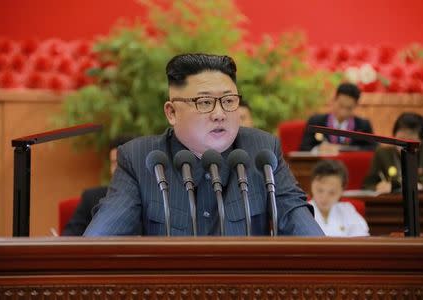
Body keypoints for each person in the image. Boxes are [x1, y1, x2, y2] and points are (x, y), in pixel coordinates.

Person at [84, 53, 324, 236]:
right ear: (171, 112)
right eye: (205, 102)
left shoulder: (262, 151)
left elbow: (302, 227)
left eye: (229, 101)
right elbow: (99, 242)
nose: (220, 113)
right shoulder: (140, 160)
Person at [62, 136, 134, 236]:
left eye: (121, 164)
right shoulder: (91, 197)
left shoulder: (152, 198)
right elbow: (69, 236)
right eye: (114, 163)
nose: (117, 170)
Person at [363, 112, 423, 193]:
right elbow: (367, 185)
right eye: (401, 139)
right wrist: (379, 186)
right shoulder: (382, 153)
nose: (404, 145)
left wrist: (421, 187)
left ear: (422, 141)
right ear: (394, 135)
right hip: (391, 202)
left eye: (411, 140)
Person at [299, 83, 376, 154]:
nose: (343, 112)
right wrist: (318, 149)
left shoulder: (363, 126)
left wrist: (344, 149)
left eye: (349, 108)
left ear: (355, 106)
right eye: (341, 106)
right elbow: (304, 148)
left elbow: (373, 149)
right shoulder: (316, 121)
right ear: (334, 100)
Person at [309, 160, 369, 237]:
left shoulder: (348, 210)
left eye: (332, 192)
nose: (324, 197)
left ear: (342, 191)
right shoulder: (302, 212)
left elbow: (362, 239)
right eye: (320, 190)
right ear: (311, 185)